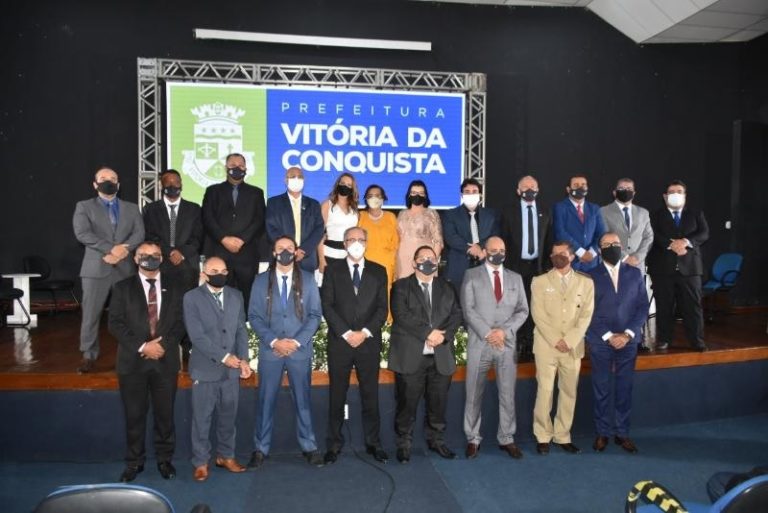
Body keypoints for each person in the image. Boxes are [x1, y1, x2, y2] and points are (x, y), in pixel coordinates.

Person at [108, 240, 185, 482]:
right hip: (133, 362)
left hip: (165, 360)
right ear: (135, 258)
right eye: (144, 254)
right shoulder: (122, 287)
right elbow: (114, 324)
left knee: (165, 416)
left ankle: (165, 460)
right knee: (134, 416)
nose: (150, 258)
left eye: (155, 254)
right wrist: (143, 346)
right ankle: (134, 462)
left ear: (162, 258)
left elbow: (181, 322)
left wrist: (163, 346)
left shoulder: (176, 286)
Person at [248, 236, 324, 468]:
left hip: (298, 351)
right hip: (271, 351)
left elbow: (315, 315)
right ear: (273, 253)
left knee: (303, 401)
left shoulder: (308, 279)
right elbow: (254, 316)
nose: (285, 252)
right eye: (280, 248)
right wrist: (274, 341)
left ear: (296, 252)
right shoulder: (261, 281)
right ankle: (260, 448)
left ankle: (309, 446)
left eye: (289, 248)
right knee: (265, 401)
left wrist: (296, 342)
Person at [321, 227, 389, 464]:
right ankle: (333, 444)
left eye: (361, 239)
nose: (356, 243)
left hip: (368, 342)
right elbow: (327, 305)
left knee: (370, 394)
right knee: (337, 394)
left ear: (367, 242)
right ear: (344, 243)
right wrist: (347, 333)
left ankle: (374, 443)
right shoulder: (332, 270)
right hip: (340, 342)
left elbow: (382, 308)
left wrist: (365, 333)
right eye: (351, 239)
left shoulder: (379, 271)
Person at [389, 245, 462, 463]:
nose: (428, 262)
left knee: (438, 404)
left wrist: (444, 336)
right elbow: (401, 315)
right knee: (407, 404)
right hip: (411, 356)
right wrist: (428, 333)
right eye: (423, 258)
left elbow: (456, 315)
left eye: (432, 258)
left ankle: (436, 440)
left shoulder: (447, 287)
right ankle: (404, 444)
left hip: (440, 356)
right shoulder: (401, 287)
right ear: (414, 263)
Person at [183, 256, 253, 482]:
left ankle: (226, 456)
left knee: (228, 417)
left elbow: (241, 330)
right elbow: (196, 336)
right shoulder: (191, 298)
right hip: (205, 369)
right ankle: (200, 462)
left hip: (232, 371)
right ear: (204, 273)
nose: (219, 274)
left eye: (223, 271)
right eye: (214, 271)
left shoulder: (236, 295)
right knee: (202, 418)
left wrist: (244, 360)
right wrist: (224, 357)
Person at [460, 236, 529, 460]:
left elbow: (523, 310)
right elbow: (468, 309)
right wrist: (489, 333)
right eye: (494, 249)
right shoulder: (471, 275)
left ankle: (507, 438)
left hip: (506, 344)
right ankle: (473, 438)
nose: (498, 253)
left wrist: (504, 332)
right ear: (485, 251)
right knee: (473, 393)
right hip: (480, 343)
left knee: (507, 394)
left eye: (502, 249)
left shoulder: (516, 278)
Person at [72, 166, 145, 373]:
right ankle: (88, 355)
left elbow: (139, 234)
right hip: (96, 268)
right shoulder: (84, 206)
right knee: (91, 315)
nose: (109, 181)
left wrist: (123, 251)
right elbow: (82, 233)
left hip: (125, 267)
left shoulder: (132, 208)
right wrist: (110, 249)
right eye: (103, 178)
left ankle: (135, 352)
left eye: (113, 178)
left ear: (118, 184)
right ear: (95, 184)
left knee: (131, 314)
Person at [586, 233, 649, 454]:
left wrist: (628, 334)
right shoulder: (589, 276)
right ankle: (602, 432)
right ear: (599, 249)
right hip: (600, 341)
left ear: (621, 246)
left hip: (628, 341)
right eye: (607, 244)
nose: (612, 247)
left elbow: (642, 306)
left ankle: (622, 433)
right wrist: (608, 336)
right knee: (601, 388)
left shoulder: (635, 273)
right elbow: (587, 311)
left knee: (624, 387)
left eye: (615, 244)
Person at [531, 241, 594, 455]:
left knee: (569, 392)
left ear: (572, 256)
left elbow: (586, 315)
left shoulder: (586, 283)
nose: (558, 256)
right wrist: (556, 340)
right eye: (554, 253)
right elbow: (538, 314)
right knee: (545, 391)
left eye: (563, 253)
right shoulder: (539, 282)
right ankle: (542, 435)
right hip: (546, 346)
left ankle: (562, 435)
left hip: (572, 347)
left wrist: (569, 340)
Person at [646, 179, 709, 352]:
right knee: (664, 306)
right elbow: (652, 234)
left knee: (693, 307)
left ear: (685, 195)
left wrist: (686, 242)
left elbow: (704, 233)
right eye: (672, 192)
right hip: (662, 269)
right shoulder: (655, 215)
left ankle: (697, 341)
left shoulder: (696, 213)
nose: (676, 194)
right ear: (665, 196)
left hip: (690, 269)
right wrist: (671, 244)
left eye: (679, 191)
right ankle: (664, 339)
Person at [201, 152, 266, 306]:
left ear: (246, 169)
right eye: (233, 165)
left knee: (247, 298)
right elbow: (207, 218)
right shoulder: (212, 191)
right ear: (226, 168)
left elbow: (259, 220)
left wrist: (242, 240)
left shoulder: (256, 193)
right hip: (219, 253)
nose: (237, 168)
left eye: (241, 166)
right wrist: (224, 239)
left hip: (247, 254)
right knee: (219, 298)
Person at [500, 175, 552, 356]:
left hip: (537, 268)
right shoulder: (508, 212)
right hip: (515, 267)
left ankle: (531, 343)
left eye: (533, 186)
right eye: (525, 187)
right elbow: (503, 239)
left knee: (535, 306)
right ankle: (517, 342)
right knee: (516, 306)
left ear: (538, 190)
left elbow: (549, 239)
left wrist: (547, 266)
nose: (529, 190)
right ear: (518, 191)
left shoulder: (545, 210)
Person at [142, 169, 203, 291]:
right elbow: (149, 236)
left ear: (181, 185)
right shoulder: (150, 210)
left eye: (176, 182)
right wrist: (170, 252)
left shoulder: (194, 209)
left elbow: (198, 237)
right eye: (168, 183)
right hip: (160, 263)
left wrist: (181, 253)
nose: (172, 186)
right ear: (161, 185)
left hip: (188, 266)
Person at [442, 178, 499, 289]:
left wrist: (481, 248)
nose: (471, 194)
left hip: (484, 262)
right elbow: (451, 237)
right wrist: (470, 249)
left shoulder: (491, 215)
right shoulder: (451, 214)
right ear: (461, 195)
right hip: (459, 266)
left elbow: (494, 235)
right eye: (467, 192)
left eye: (474, 191)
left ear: (480, 194)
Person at [265, 166, 324, 273]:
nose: (297, 179)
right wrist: (288, 249)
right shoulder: (273, 203)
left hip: (307, 258)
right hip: (282, 257)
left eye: (300, 177)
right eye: (293, 176)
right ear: (286, 180)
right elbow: (271, 228)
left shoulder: (314, 204)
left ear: (304, 180)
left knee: (307, 284)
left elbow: (319, 229)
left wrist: (304, 249)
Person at [358, 184, 399, 318]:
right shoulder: (360, 216)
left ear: (383, 198)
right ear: (365, 199)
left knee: (386, 295)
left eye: (377, 195)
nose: (374, 198)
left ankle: (386, 324)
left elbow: (396, 243)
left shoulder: (391, 217)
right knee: (365, 295)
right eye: (370, 196)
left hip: (386, 264)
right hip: (365, 263)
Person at [552, 175, 605, 273]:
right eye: (576, 185)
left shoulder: (594, 208)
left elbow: (601, 234)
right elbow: (560, 233)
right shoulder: (560, 207)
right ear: (568, 189)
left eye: (583, 185)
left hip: (591, 262)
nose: (580, 187)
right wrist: (581, 252)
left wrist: (592, 253)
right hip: (569, 261)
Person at [600, 178, 653, 272]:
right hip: (613, 264)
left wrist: (637, 257)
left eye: (629, 189)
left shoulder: (643, 213)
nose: (625, 191)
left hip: (637, 266)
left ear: (634, 193)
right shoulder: (603, 211)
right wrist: (625, 258)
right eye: (621, 188)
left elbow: (648, 237)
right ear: (614, 193)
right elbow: (603, 237)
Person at [396, 180, 444, 279]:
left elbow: (438, 241)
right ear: (409, 195)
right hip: (402, 261)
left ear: (425, 196)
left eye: (421, 193)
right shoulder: (402, 214)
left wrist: (431, 261)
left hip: (424, 260)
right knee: (403, 286)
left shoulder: (431, 214)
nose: (417, 196)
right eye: (414, 193)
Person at [319, 173, 359, 274]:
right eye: (343, 183)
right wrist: (321, 260)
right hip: (329, 255)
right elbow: (319, 235)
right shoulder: (327, 205)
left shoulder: (354, 209)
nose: (345, 186)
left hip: (349, 257)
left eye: (349, 185)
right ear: (337, 184)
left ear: (352, 189)